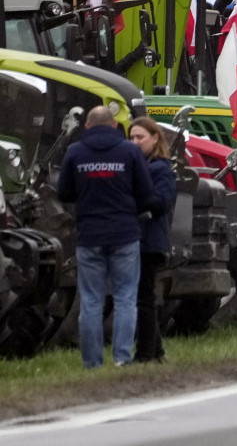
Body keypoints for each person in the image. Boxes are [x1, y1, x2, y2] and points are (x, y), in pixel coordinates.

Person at [57, 105, 159, 369]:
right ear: (115, 126)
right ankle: (122, 358)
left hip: (89, 236)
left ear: (87, 127)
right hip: (125, 235)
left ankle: (92, 362)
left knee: (91, 301)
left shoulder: (75, 152)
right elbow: (146, 193)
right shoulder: (130, 151)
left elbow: (64, 193)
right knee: (126, 299)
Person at [129, 117, 176, 364]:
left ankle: (146, 353)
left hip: (149, 241)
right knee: (143, 296)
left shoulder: (160, 169)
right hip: (139, 240)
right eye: (132, 138)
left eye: (140, 137)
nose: (135, 142)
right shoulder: (139, 167)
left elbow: (161, 202)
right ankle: (156, 351)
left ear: (155, 138)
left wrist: (131, 201)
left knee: (144, 298)